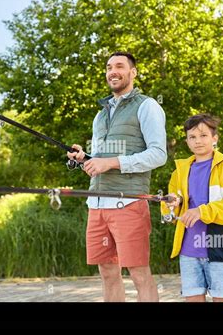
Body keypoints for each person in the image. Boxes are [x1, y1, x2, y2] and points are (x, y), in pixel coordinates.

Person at [67, 51, 167, 302]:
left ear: (132, 72)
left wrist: (109, 162)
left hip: (129, 201)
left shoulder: (147, 105)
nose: (113, 71)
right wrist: (85, 159)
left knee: (139, 273)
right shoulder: (100, 115)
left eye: (119, 66)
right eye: (109, 67)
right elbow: (99, 160)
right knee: (108, 273)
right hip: (97, 204)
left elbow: (158, 154)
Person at [161, 113, 223, 302]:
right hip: (188, 251)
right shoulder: (180, 171)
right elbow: (170, 208)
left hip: (220, 246)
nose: (197, 141)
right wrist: (172, 204)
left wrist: (202, 211)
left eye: (203, 135)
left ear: (214, 138)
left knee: (222, 299)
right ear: (187, 141)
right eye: (192, 137)